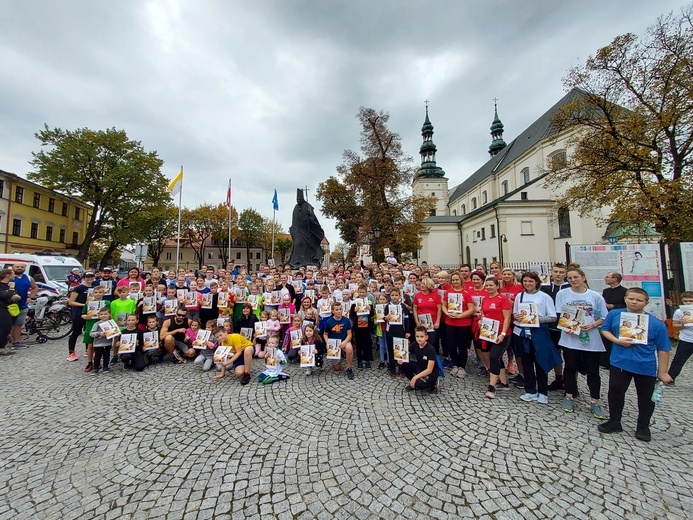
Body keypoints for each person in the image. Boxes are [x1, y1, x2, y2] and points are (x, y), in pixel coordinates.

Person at [598, 288, 672, 442]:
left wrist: (663, 371)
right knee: (615, 392)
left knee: (645, 397)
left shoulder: (656, 324)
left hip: (645, 365)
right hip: (620, 362)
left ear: (646, 303)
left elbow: (664, 349)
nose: (634, 302)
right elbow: (605, 329)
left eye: (639, 300)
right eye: (631, 298)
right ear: (625, 299)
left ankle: (643, 426)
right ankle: (615, 421)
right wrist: (617, 340)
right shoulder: (614, 314)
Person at [555, 267, 609, 418]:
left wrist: (592, 325)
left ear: (583, 277)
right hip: (570, 339)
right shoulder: (562, 294)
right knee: (570, 368)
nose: (573, 280)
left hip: (590, 339)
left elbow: (604, 317)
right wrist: (566, 327)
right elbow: (560, 315)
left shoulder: (595, 296)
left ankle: (595, 401)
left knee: (593, 371)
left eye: (575, 277)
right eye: (570, 278)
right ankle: (569, 396)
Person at [513, 272, 561, 404]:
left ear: (536, 282)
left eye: (530, 281)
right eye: (525, 281)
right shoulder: (519, 296)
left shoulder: (544, 297)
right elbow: (515, 313)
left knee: (540, 362)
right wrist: (517, 316)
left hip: (539, 333)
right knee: (527, 363)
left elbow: (552, 316)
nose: (527, 284)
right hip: (524, 334)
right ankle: (530, 391)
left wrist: (535, 319)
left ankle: (543, 392)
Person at [481, 277, 513, 399]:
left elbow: (507, 318)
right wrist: (481, 323)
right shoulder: (485, 299)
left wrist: (503, 334)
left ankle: (491, 386)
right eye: (487, 285)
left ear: (497, 286)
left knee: (494, 357)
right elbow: (485, 314)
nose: (488, 287)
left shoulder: (503, 299)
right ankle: (504, 383)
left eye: (491, 285)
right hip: (489, 333)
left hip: (501, 334)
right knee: (496, 357)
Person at [540, 263, 570, 391]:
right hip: (551, 326)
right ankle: (559, 378)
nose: (558, 274)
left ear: (565, 274)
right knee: (555, 354)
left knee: (569, 356)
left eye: (561, 272)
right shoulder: (545, 288)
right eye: (556, 271)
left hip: (567, 327)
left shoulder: (570, 287)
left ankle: (570, 383)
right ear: (551, 272)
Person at [442, 271, 475, 378]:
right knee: (450, 345)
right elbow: (444, 306)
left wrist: (460, 316)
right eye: (453, 280)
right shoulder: (448, 292)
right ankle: (455, 364)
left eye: (457, 279)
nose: (455, 281)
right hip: (450, 322)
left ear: (461, 280)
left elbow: (471, 309)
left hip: (463, 323)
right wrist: (447, 313)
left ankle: (462, 367)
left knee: (462, 346)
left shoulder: (467, 293)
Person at [398, 326, 439, 392]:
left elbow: (429, 370)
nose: (419, 339)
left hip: (430, 372)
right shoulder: (415, 344)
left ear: (426, 337)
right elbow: (405, 352)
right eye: (417, 336)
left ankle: (433, 383)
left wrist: (415, 377)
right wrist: (401, 359)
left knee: (418, 385)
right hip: (420, 367)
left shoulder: (431, 349)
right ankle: (414, 382)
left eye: (421, 337)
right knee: (403, 364)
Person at [67, 271, 96, 362]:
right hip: (79, 313)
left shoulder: (95, 288)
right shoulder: (78, 288)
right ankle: (71, 352)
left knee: (89, 331)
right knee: (76, 332)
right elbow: (71, 302)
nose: (89, 279)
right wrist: (84, 305)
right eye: (87, 277)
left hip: (91, 313)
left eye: (91, 277)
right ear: (83, 278)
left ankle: (88, 350)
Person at [600, 272, 628, 369]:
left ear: (615, 279)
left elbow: (626, 305)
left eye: (608, 277)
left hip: (619, 317)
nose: (606, 279)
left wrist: (613, 306)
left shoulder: (625, 291)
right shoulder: (606, 291)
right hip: (607, 317)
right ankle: (605, 361)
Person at [323, 301, 355, 380]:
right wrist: (327, 343)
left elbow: (350, 334)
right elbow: (325, 334)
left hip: (344, 341)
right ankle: (338, 358)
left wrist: (345, 342)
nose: (339, 311)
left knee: (349, 349)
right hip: (334, 344)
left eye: (340, 309)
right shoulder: (329, 321)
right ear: (333, 311)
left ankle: (349, 368)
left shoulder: (346, 320)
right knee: (337, 368)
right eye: (336, 310)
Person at [9, 262, 38, 350]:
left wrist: (31, 297)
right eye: (17, 266)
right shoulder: (8, 277)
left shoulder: (29, 278)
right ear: (13, 267)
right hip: (8, 305)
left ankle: (16, 342)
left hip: (22, 305)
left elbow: (35, 287)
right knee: (7, 324)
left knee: (18, 324)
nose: (20, 268)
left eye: (22, 267)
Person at [667, 291, 693, 385]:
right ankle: (670, 378)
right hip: (686, 339)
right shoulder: (679, 312)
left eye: (691, 301)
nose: (688, 303)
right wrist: (682, 324)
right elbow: (674, 325)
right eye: (685, 301)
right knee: (678, 360)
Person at [412, 278, 442, 353]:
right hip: (421, 323)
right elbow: (415, 309)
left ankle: (433, 359)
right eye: (421, 283)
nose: (421, 285)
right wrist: (417, 321)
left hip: (433, 323)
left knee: (432, 342)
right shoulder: (417, 295)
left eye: (424, 284)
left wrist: (437, 322)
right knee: (421, 341)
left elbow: (439, 309)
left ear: (429, 285)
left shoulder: (435, 295)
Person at [0, 269, 21, 357]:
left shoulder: (9, 285)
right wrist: (11, 289)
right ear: (7, 275)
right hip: (2, 309)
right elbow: (5, 295)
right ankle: (1, 349)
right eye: (13, 274)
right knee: (5, 328)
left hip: (10, 309)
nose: (15, 276)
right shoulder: (2, 285)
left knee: (7, 327)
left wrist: (13, 294)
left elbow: (15, 295)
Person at [89, 308, 116, 375]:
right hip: (98, 344)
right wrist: (99, 333)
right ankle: (96, 368)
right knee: (97, 356)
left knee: (106, 355)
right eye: (101, 314)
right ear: (99, 315)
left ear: (109, 315)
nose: (103, 316)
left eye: (105, 314)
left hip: (107, 343)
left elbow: (115, 331)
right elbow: (91, 333)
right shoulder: (96, 324)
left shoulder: (111, 323)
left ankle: (105, 366)